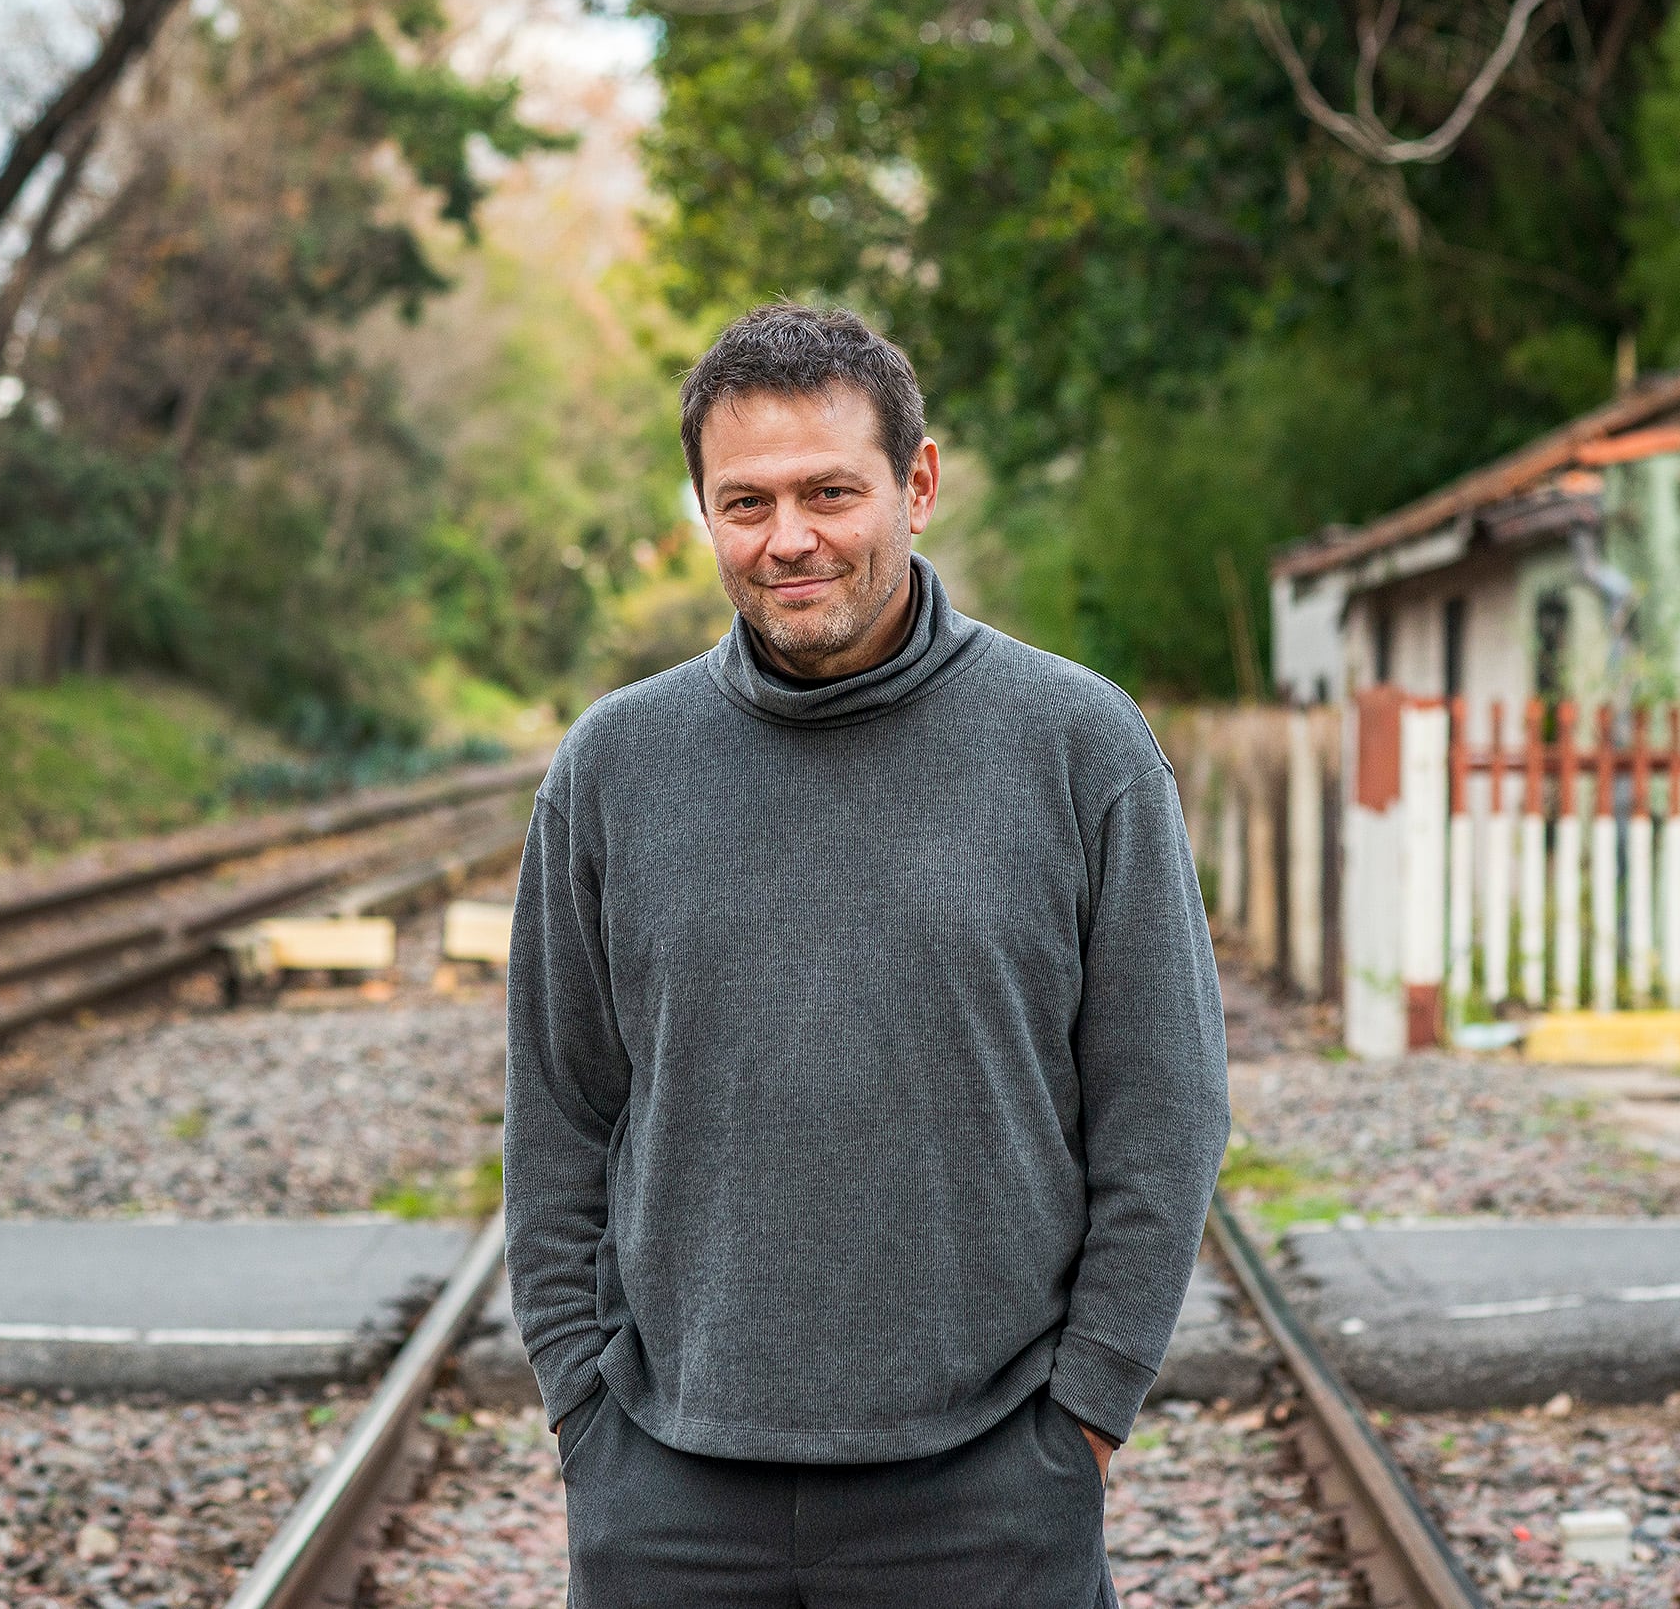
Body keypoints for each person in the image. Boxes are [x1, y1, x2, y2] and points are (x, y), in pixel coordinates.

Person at [503, 302, 1231, 1607]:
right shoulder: (613, 766)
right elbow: (561, 1116)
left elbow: (1163, 1110)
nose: (788, 538)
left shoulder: (1079, 748)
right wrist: (585, 1416)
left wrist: (1084, 1417)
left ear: (919, 484)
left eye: (830, 492)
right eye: (746, 502)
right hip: (669, 1500)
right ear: (704, 511)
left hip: (987, 1493)